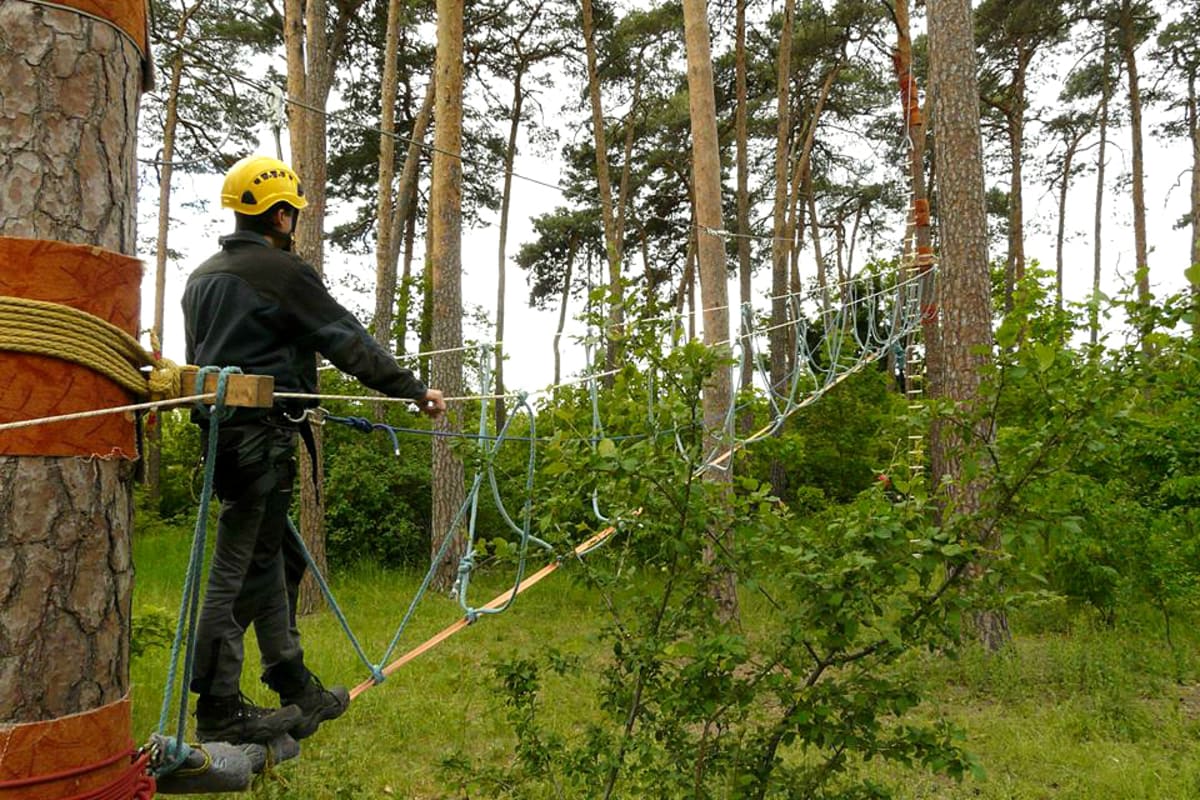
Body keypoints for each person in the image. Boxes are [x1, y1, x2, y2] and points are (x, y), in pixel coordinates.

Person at [181, 155, 446, 745]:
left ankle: (293, 681)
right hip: (260, 441)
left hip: (225, 438)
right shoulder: (279, 272)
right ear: (279, 214)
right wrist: (411, 390)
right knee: (240, 571)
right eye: (292, 214)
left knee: (278, 562)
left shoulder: (201, 278)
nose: (293, 222)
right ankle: (219, 708)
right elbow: (344, 337)